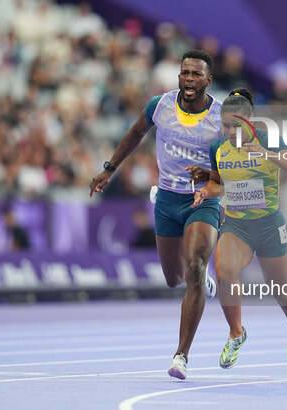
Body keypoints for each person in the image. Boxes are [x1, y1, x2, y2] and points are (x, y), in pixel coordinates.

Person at [90, 50, 221, 380]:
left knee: (194, 267)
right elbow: (136, 133)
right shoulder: (160, 106)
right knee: (174, 278)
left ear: (208, 81)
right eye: (185, 73)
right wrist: (109, 169)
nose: (189, 79)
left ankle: (181, 356)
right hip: (165, 200)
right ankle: (198, 276)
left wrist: (210, 173)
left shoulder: (222, 117)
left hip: (202, 200)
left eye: (196, 74)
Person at [192, 88, 287, 369]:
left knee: (280, 287)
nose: (231, 130)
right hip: (236, 225)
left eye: (236, 124)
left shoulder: (268, 138)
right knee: (225, 273)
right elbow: (217, 183)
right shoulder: (217, 148)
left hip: (268, 224)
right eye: (226, 125)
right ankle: (236, 332)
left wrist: (268, 154)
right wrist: (207, 191)